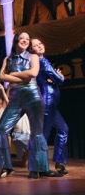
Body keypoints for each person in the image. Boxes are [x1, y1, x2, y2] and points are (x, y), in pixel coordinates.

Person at [0, 32, 61, 179]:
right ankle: (7, 166)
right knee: (1, 130)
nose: (25, 40)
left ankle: (39, 168)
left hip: (33, 97)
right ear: (16, 41)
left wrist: (12, 75)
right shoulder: (8, 59)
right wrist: (22, 76)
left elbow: (33, 73)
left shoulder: (33, 57)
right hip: (15, 99)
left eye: (27, 39)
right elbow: (1, 76)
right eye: (22, 38)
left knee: (36, 133)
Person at [30, 37, 69, 175]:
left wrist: (54, 79)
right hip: (47, 104)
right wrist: (60, 77)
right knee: (43, 136)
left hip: (52, 105)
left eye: (40, 43)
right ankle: (37, 168)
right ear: (31, 50)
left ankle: (59, 161)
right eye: (35, 45)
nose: (40, 46)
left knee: (63, 129)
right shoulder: (42, 61)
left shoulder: (41, 62)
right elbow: (59, 79)